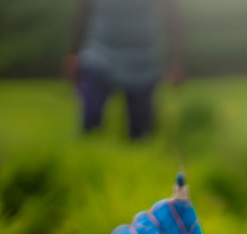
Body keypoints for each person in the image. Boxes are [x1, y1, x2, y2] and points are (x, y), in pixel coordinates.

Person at [65, 0, 183, 140]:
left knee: (142, 134)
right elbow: (83, 13)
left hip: (143, 58)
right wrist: (74, 53)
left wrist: (176, 60)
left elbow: (173, 16)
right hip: (99, 53)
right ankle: (90, 156)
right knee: (91, 120)